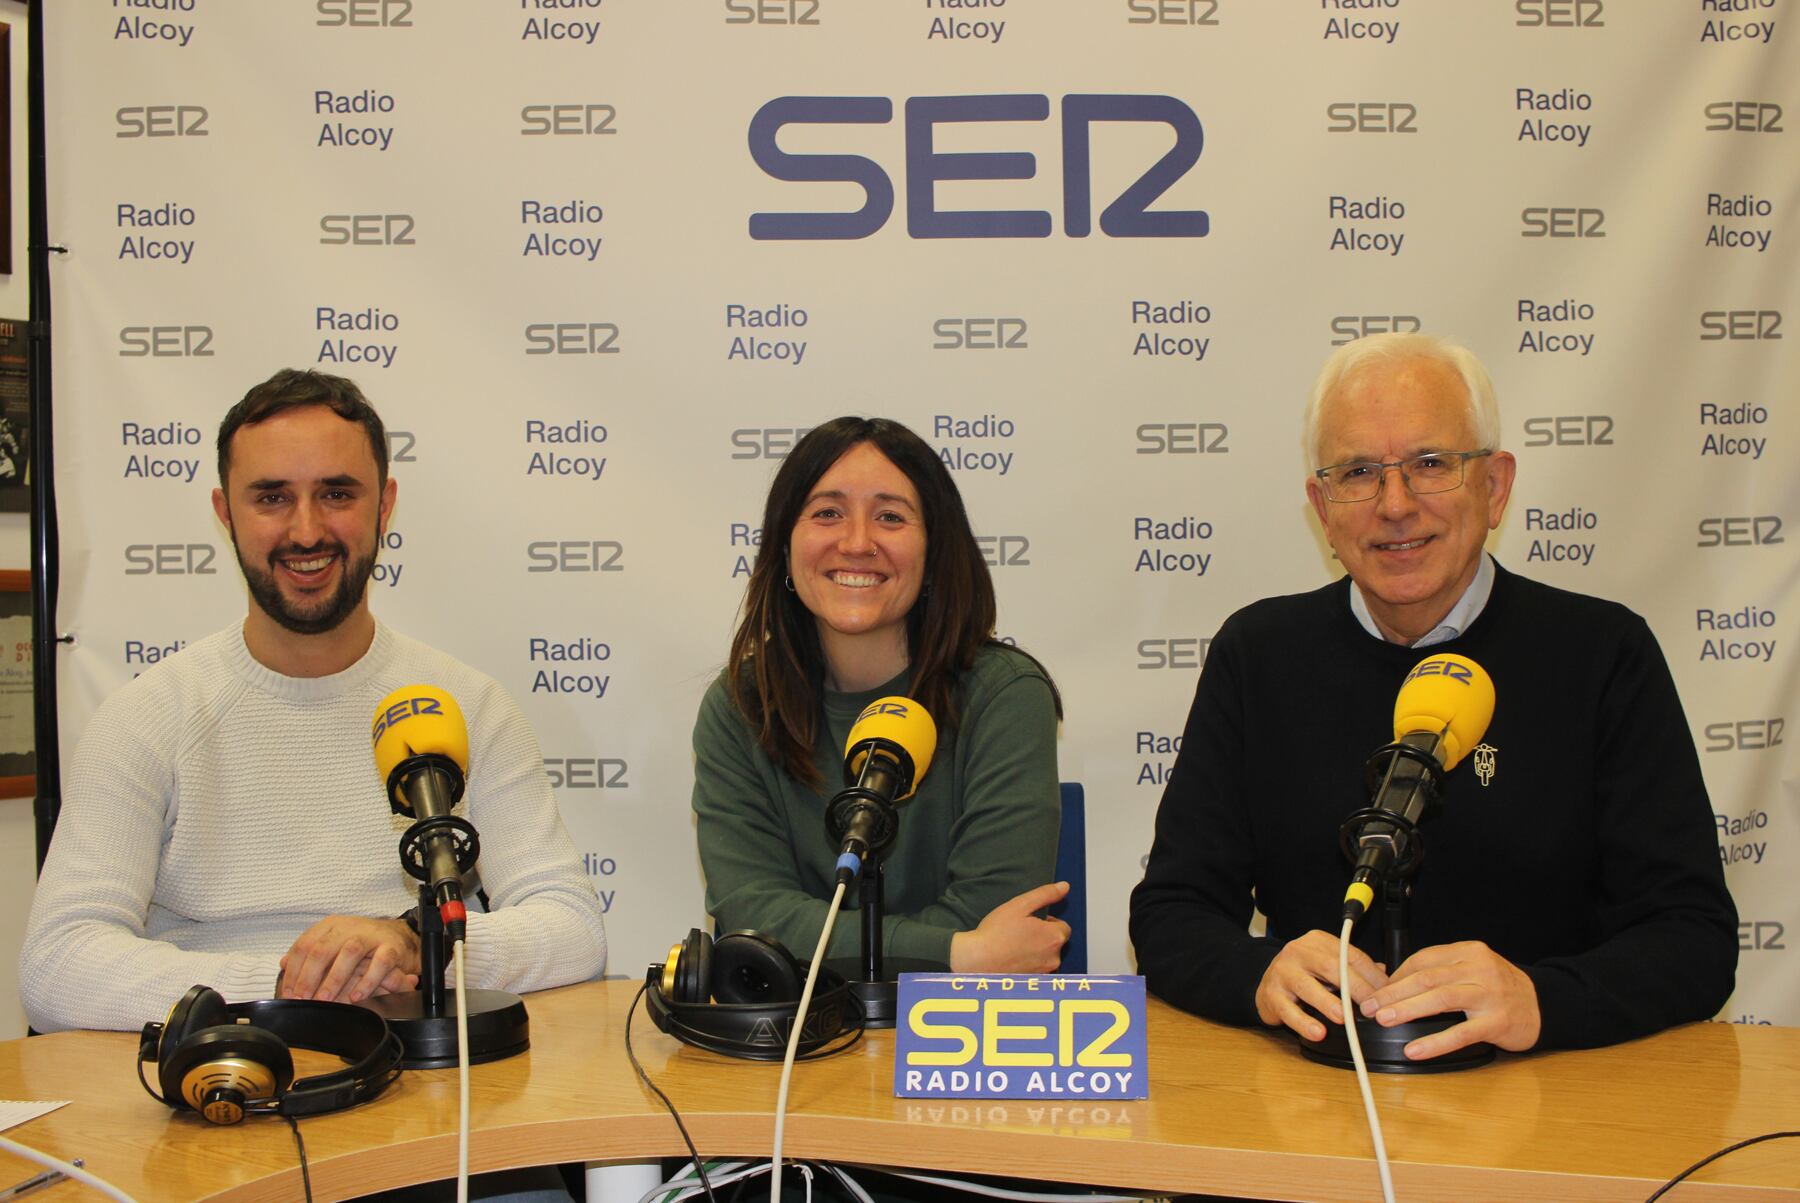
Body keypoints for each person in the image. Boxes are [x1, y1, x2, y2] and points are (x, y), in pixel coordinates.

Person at [1130, 333, 1736, 1059]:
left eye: (1430, 464)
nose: (1395, 504)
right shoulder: (1258, 653)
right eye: (1358, 472)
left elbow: (1692, 935)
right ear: (1322, 507)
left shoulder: (1603, 653)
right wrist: (1258, 974)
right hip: (1314, 1093)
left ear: (1496, 487)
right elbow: (1172, 912)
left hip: (1546, 1090)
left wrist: (1543, 1000)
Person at [20, 369, 607, 1034]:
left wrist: (416, 946)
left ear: (384, 506)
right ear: (225, 513)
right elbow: (57, 965)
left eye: (336, 494)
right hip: (220, 1063)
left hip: (420, 1069)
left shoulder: (467, 705)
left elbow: (574, 929)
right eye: (272, 497)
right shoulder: (148, 715)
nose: (305, 531)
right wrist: (287, 989)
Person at [692, 417, 1069, 973]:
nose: (856, 543)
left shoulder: (1003, 696)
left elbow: (999, 922)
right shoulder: (741, 706)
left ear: (935, 550)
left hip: (957, 1024)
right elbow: (756, 924)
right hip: (801, 1025)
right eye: (827, 513)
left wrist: (839, 949)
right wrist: (958, 952)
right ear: (785, 545)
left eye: (890, 516)